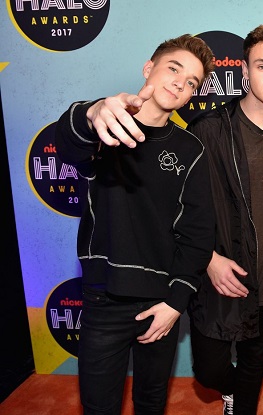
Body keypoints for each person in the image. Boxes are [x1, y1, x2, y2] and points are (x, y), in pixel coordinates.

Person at [54, 34, 216, 415]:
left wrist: (175, 303)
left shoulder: (191, 150)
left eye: (191, 82)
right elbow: (67, 142)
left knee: (151, 403)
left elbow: (197, 235)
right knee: (98, 407)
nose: (180, 83)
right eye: (173, 69)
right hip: (102, 300)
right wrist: (93, 112)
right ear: (148, 68)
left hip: (160, 303)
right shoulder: (106, 126)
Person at [184, 22, 263, 415]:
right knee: (209, 371)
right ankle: (230, 391)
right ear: (244, 70)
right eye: (262, 65)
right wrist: (208, 259)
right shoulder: (207, 130)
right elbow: (179, 207)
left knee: (255, 362)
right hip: (219, 276)